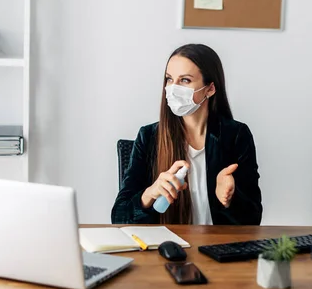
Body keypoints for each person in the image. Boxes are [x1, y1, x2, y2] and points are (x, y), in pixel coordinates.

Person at [111, 44, 262, 225]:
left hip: (217, 248)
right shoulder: (149, 137)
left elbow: (253, 220)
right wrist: (150, 193)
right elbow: (119, 217)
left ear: (210, 89)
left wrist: (228, 199)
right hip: (167, 247)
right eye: (169, 79)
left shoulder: (236, 136)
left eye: (185, 80)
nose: (173, 88)